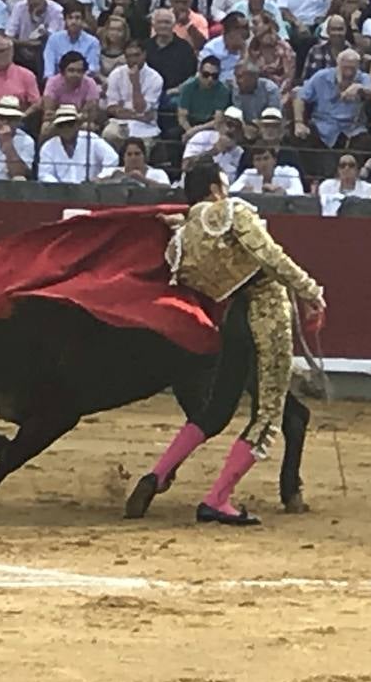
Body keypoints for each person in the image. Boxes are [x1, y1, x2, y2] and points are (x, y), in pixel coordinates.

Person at [126, 160, 326, 526]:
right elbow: (271, 257)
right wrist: (311, 291)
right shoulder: (232, 212)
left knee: (216, 409)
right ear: (216, 188)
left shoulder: (181, 240)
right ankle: (218, 498)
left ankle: (156, 475)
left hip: (234, 318)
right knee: (267, 417)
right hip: (267, 314)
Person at [294, 46, 371, 177]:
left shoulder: (363, 78)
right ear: (338, 65)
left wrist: (358, 88)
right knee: (302, 138)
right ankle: (314, 181)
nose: (348, 72)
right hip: (323, 126)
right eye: (345, 68)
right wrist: (299, 122)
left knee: (369, 143)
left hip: (351, 129)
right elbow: (300, 97)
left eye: (352, 69)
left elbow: (370, 93)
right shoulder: (321, 76)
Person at [103, 40, 163, 149]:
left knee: (142, 145)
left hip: (145, 127)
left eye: (137, 55)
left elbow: (141, 108)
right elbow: (111, 108)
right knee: (108, 134)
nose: (133, 60)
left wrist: (135, 84)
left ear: (144, 54)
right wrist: (137, 116)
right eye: (129, 56)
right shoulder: (116, 74)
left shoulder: (155, 78)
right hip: (119, 123)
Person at [38, 103, 117, 183]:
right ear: (57, 128)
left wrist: (100, 178)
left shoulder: (92, 139)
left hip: (90, 190)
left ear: (77, 125)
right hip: (59, 192)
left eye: (70, 124)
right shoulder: (48, 147)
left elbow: (112, 159)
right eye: (61, 125)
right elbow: (45, 174)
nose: (66, 128)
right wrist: (60, 187)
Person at [41, 50, 101, 136]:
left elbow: (91, 114)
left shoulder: (90, 83)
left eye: (79, 71)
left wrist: (74, 118)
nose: (75, 74)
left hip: (80, 123)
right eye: (71, 70)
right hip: (57, 121)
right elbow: (48, 114)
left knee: (89, 127)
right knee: (46, 127)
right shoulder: (52, 82)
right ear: (63, 71)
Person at [182, 105, 247, 176]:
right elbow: (186, 166)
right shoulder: (203, 137)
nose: (232, 130)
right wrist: (215, 150)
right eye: (229, 124)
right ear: (221, 124)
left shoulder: (239, 153)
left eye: (237, 127)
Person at [5, 0, 62, 76]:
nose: (35, 1)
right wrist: (27, 44)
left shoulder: (56, 10)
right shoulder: (19, 7)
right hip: (22, 49)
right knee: (7, 47)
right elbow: (8, 37)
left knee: (44, 48)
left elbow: (55, 39)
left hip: (44, 51)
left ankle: (44, 79)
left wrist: (38, 19)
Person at [178, 55, 234, 135]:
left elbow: (218, 120)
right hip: (190, 123)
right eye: (206, 75)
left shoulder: (223, 90)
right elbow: (182, 116)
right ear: (199, 73)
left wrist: (195, 131)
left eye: (214, 76)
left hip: (209, 125)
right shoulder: (188, 86)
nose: (210, 79)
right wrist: (189, 131)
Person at [43, 2, 101, 77]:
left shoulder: (92, 42)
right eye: (70, 18)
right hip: (58, 83)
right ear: (65, 20)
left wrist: (74, 80)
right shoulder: (53, 39)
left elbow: (92, 69)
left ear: (83, 20)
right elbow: (49, 71)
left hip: (83, 83)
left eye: (77, 18)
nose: (73, 22)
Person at [245, 12, 294, 92]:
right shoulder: (252, 48)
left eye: (255, 23)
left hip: (281, 90)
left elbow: (288, 77)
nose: (251, 27)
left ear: (267, 25)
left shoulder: (284, 48)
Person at [97, 136, 171, 185]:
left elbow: (167, 189)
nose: (133, 158)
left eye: (137, 154)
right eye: (129, 154)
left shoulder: (158, 173)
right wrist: (116, 178)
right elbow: (94, 182)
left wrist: (142, 179)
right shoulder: (111, 171)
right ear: (123, 157)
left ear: (144, 156)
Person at [231, 143, 304, 193]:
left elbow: (299, 192)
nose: (263, 163)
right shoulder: (248, 173)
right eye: (258, 159)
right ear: (253, 163)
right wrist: (243, 190)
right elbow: (231, 190)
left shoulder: (289, 172)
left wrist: (282, 191)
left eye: (266, 158)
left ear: (274, 160)